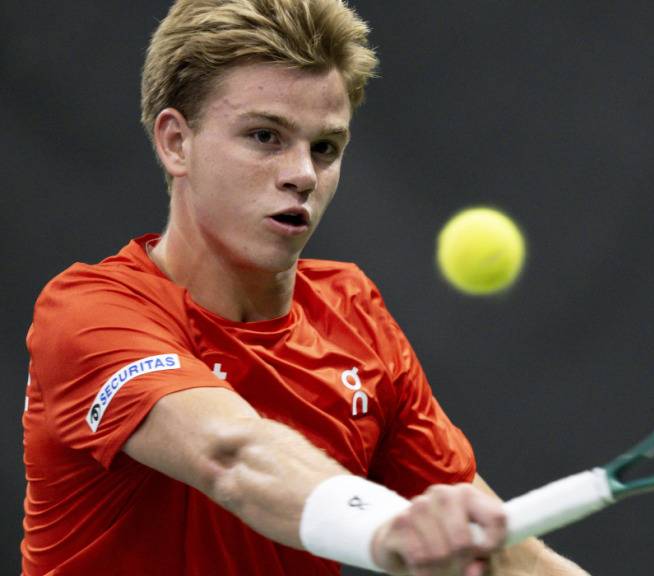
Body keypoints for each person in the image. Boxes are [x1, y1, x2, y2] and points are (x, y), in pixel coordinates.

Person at [21, 1, 589, 574]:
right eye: (265, 136)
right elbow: (233, 457)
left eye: (325, 147)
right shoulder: (90, 313)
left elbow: (513, 561)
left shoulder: (355, 317)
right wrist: (389, 526)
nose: (303, 174)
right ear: (176, 143)